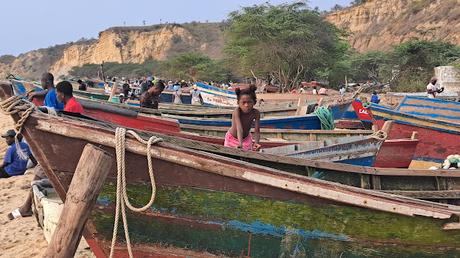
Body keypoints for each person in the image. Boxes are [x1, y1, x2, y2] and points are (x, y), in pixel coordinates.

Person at [224, 85, 261, 151]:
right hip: (232, 139)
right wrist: (240, 144)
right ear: (238, 103)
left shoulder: (256, 113)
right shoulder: (237, 111)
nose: (246, 105)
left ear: (254, 102)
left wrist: (256, 143)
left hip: (246, 139)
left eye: (249, 102)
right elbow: (239, 128)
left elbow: (257, 130)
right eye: (243, 103)